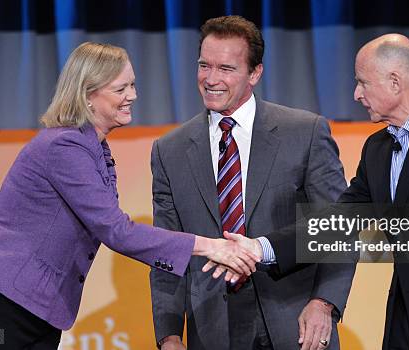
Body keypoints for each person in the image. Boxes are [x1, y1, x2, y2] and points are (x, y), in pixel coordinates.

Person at [0, 42, 258, 349]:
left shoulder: (93, 148)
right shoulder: (64, 146)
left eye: (132, 85)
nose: (132, 96)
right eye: (120, 89)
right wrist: (209, 246)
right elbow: (116, 231)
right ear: (87, 95)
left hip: (36, 310)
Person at [242, 34, 409, 350]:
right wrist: (261, 248)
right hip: (404, 321)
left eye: (363, 83)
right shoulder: (377, 148)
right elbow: (339, 221)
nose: (356, 94)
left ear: (395, 82)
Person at [149, 15, 356, 350]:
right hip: (213, 329)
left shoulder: (304, 132)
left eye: (226, 68)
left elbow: (338, 228)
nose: (211, 79)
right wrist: (169, 335)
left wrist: (324, 303)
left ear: (254, 73)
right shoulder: (169, 151)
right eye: (204, 65)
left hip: (298, 324)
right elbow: (167, 253)